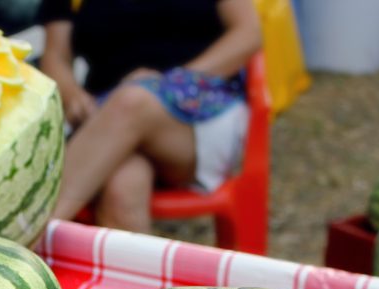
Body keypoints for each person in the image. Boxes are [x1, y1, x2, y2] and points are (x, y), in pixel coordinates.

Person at [40, 0, 263, 232]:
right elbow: (55, 56)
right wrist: (72, 94)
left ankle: (29, 238)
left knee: (132, 101)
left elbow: (249, 33)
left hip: (199, 112)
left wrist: (170, 81)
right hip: (107, 123)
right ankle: (123, 268)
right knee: (122, 187)